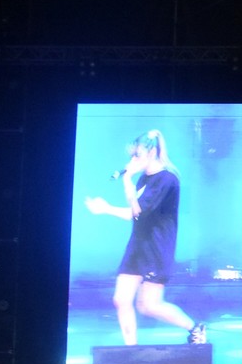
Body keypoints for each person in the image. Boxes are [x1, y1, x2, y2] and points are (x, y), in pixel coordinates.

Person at [84, 129, 205, 346]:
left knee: (149, 305)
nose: (132, 160)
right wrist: (104, 209)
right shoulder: (144, 179)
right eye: (132, 155)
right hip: (138, 246)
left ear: (151, 152)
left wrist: (124, 182)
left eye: (136, 155)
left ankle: (195, 328)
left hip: (156, 248)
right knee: (121, 299)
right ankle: (131, 350)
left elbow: (138, 210)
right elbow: (133, 214)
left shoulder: (167, 179)